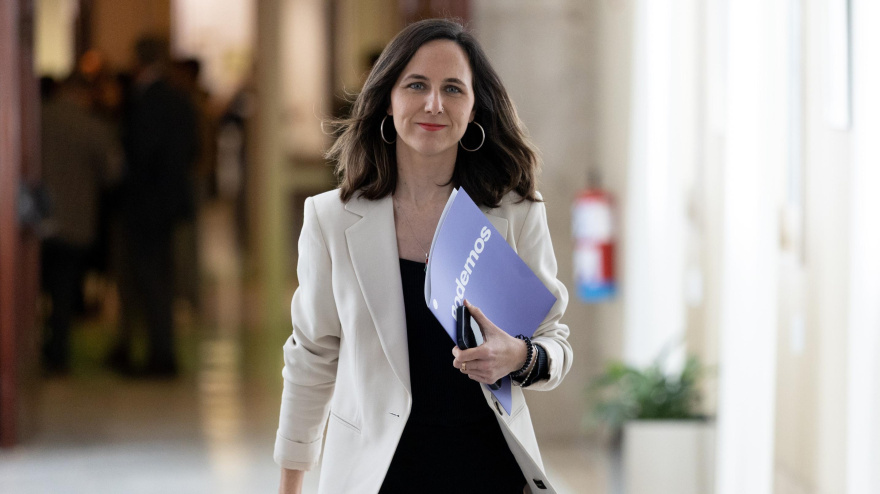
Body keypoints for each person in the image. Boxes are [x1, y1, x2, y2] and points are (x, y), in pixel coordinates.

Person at [275, 19, 572, 493]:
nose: (434, 103)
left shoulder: (515, 213)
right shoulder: (332, 220)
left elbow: (554, 342)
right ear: (387, 100)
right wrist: (290, 485)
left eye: (453, 88)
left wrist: (519, 356)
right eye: (416, 85)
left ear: (475, 109)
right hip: (378, 478)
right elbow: (311, 357)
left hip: (489, 473)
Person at [109, 35, 199, 377]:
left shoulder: (144, 101)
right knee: (160, 279)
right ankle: (160, 353)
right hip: (168, 205)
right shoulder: (179, 99)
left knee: (149, 282)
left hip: (145, 206)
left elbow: (140, 155)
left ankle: (161, 357)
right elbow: (188, 150)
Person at [40, 73, 122, 373]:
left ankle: (31, 350)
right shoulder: (92, 127)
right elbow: (113, 171)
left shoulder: (38, 118)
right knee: (63, 292)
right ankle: (57, 354)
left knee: (33, 288)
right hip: (75, 220)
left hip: (34, 218)